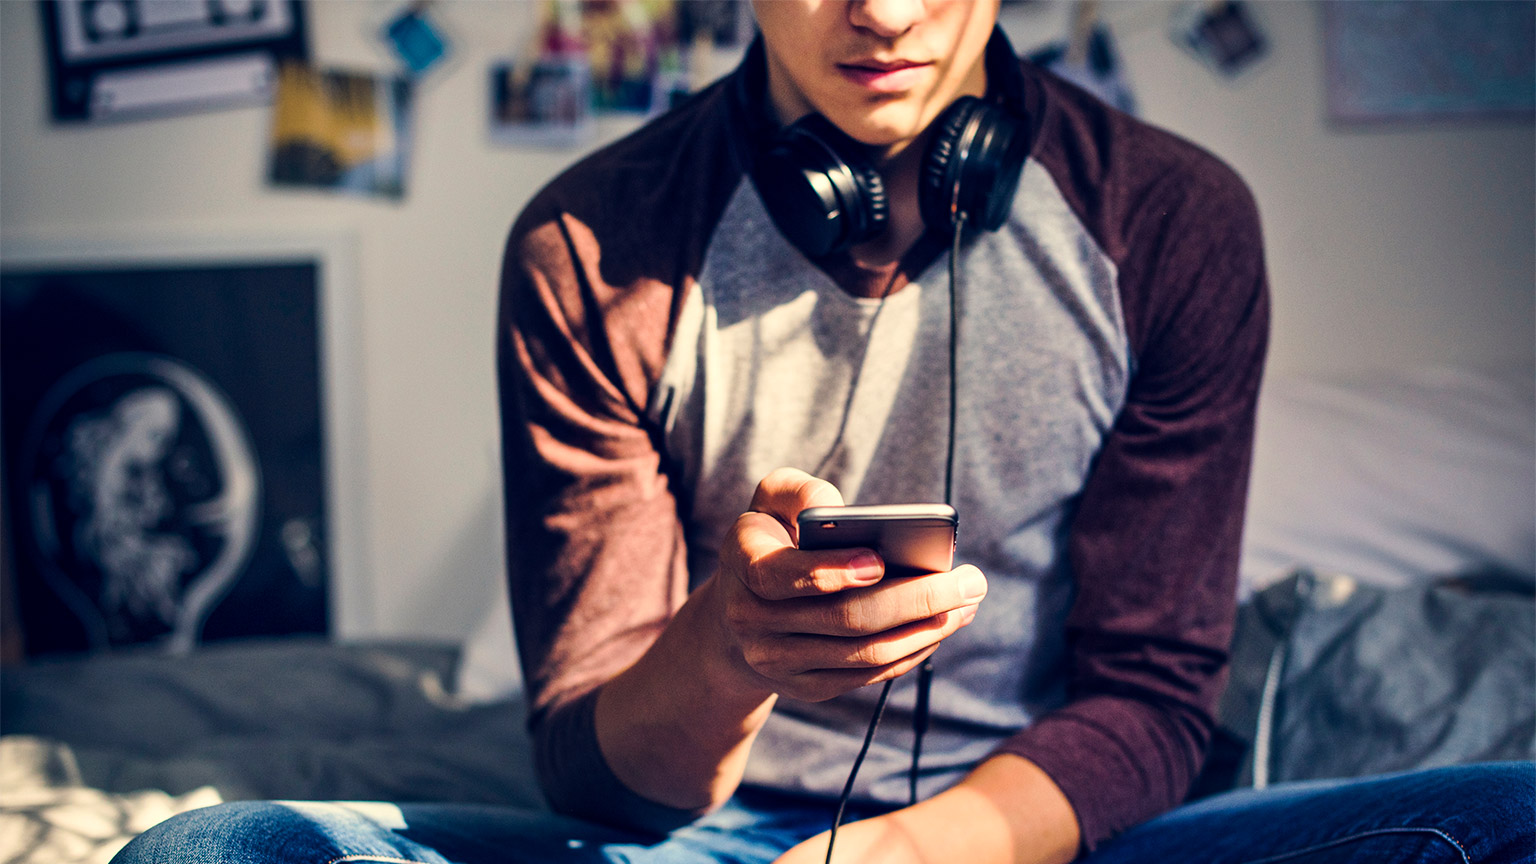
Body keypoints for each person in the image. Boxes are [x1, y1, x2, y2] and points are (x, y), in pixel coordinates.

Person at [113, 1, 1532, 862]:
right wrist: (729, 650)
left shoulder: (1170, 220)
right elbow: (585, 761)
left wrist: (920, 854)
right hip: (704, 841)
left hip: (1052, 835)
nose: (885, 15)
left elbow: (1159, 700)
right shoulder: (588, 245)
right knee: (215, 851)